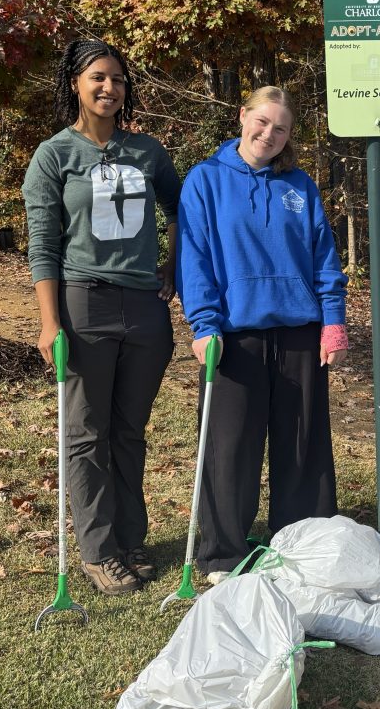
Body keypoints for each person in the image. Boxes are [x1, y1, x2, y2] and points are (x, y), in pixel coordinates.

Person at [22, 37, 181, 595]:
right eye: (97, 78)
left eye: (116, 79)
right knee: (87, 432)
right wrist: (49, 322)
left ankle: (130, 540)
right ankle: (97, 549)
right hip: (82, 302)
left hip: (144, 309)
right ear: (76, 85)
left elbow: (187, 208)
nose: (109, 87)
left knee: (129, 431)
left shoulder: (147, 152)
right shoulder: (55, 156)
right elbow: (42, 242)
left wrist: (174, 264)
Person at [177, 86, 348, 580]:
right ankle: (223, 553)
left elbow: (323, 258)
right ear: (242, 116)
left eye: (281, 128)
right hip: (234, 334)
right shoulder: (206, 181)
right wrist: (204, 324)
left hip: (300, 331)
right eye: (262, 122)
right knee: (230, 447)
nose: (268, 134)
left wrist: (333, 319)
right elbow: (196, 258)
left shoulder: (300, 186)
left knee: (302, 445)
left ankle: (301, 547)